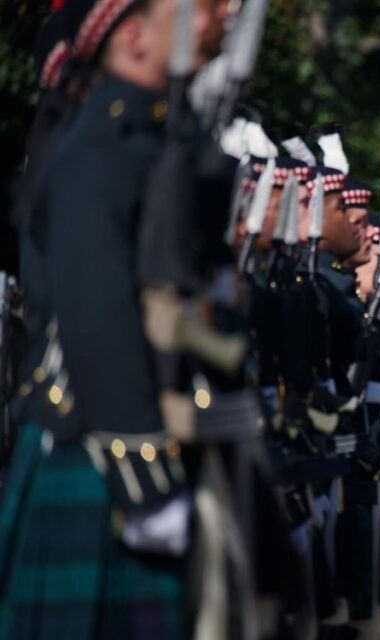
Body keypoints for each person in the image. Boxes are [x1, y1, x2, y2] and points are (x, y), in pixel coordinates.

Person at [0, 0, 223, 635]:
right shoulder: (101, 148)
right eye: (196, 8)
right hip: (105, 443)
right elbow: (96, 308)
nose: (216, 16)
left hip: (155, 438)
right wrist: (144, 474)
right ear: (132, 38)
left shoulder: (156, 144)